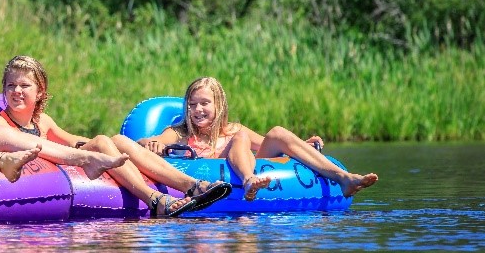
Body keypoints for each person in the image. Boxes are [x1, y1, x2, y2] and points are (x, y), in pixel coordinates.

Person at [0, 55, 231, 218]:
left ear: (40, 92)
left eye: (24, 86)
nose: (17, 91)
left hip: (65, 159)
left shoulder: (42, 121)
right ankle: (153, 199)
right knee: (103, 142)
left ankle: (191, 186)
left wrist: (101, 146)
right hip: (35, 176)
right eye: (11, 86)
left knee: (113, 141)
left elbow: (71, 139)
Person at [138, 76, 379, 200]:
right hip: (211, 182)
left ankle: (345, 179)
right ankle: (248, 180)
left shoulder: (233, 129)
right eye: (192, 105)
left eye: (204, 103)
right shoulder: (180, 132)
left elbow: (271, 142)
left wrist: (302, 147)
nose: (198, 110)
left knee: (274, 132)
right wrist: (152, 143)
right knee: (242, 136)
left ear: (219, 105)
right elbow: (148, 142)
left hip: (247, 174)